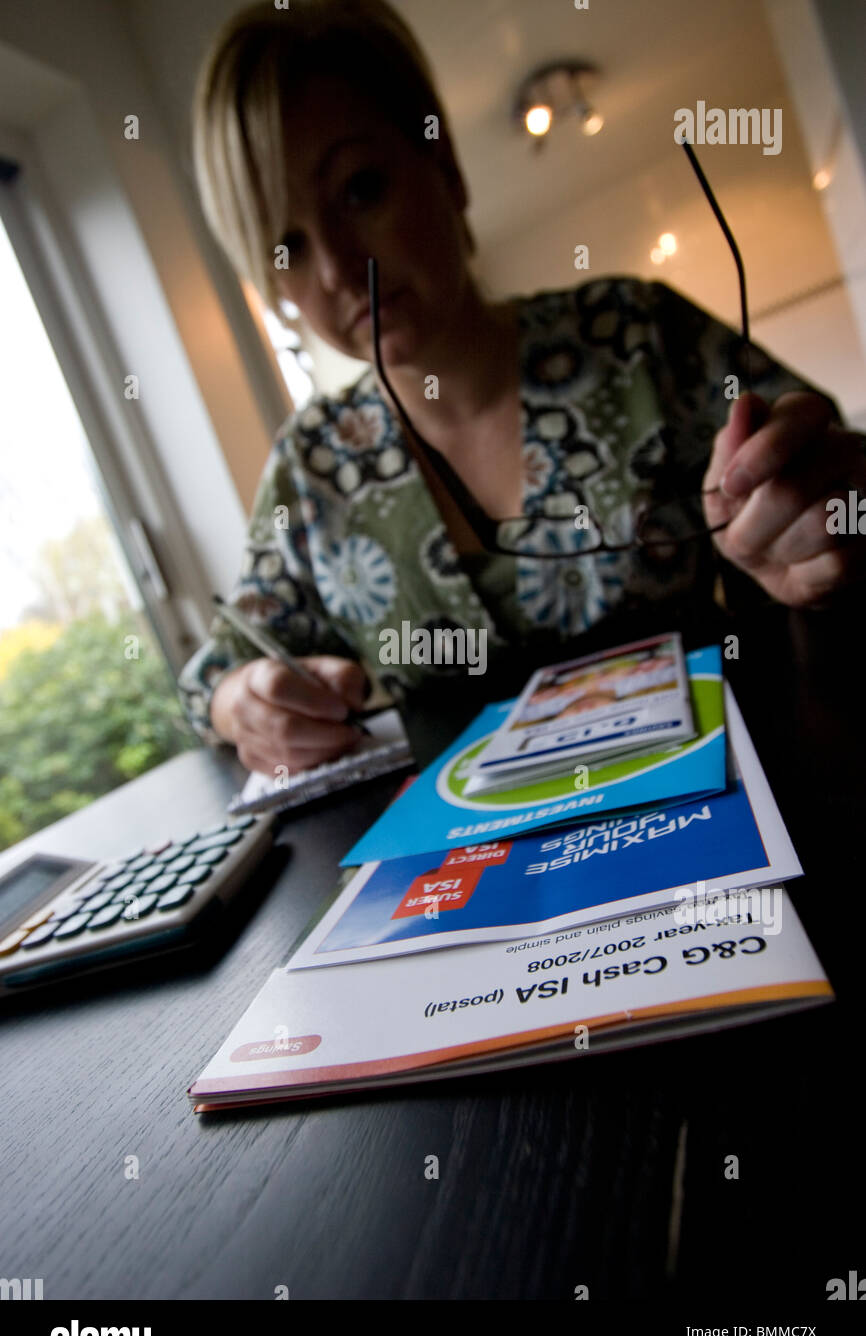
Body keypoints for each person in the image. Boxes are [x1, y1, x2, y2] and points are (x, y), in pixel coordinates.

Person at [178, 0, 865, 779]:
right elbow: (219, 670)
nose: (336, 269)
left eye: (361, 190)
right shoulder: (310, 472)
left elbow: (835, 483)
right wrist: (243, 702)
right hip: (467, 881)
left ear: (445, 168)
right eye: (286, 244)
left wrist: (821, 514)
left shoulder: (641, 336)